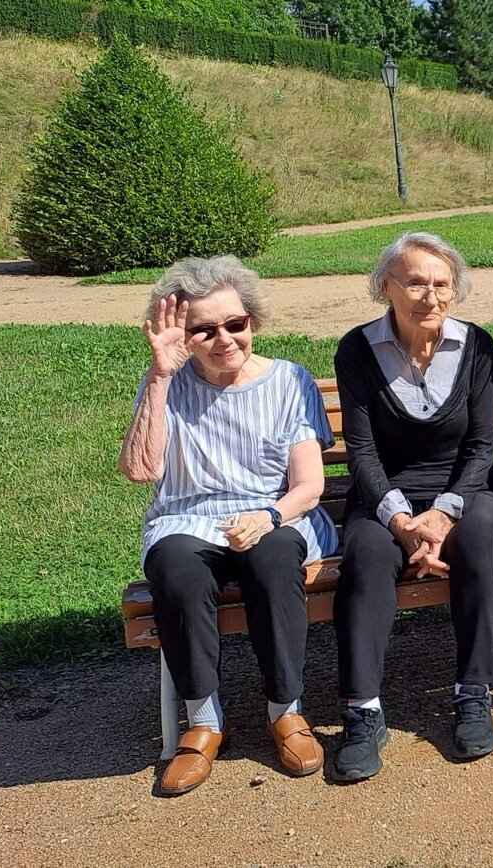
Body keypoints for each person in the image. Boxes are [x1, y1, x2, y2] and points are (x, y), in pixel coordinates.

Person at [119, 256, 335, 796]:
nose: (224, 339)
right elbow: (140, 470)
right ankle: (203, 721)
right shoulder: (166, 383)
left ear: (252, 321)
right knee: (176, 567)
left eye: (234, 324)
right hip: (188, 518)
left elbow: (308, 486)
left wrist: (266, 518)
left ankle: (286, 711)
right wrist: (160, 376)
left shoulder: (289, 381)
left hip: (276, 513)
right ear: (184, 335)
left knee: (273, 557)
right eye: (204, 330)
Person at [330, 233, 493, 782]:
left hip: (464, 487)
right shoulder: (356, 350)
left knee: (478, 535)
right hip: (386, 492)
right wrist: (402, 520)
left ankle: (473, 692)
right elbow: (361, 450)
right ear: (385, 287)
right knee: (365, 552)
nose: (429, 296)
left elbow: (483, 445)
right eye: (414, 283)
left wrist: (445, 514)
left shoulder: (477, 346)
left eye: (441, 284)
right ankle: (363, 710)